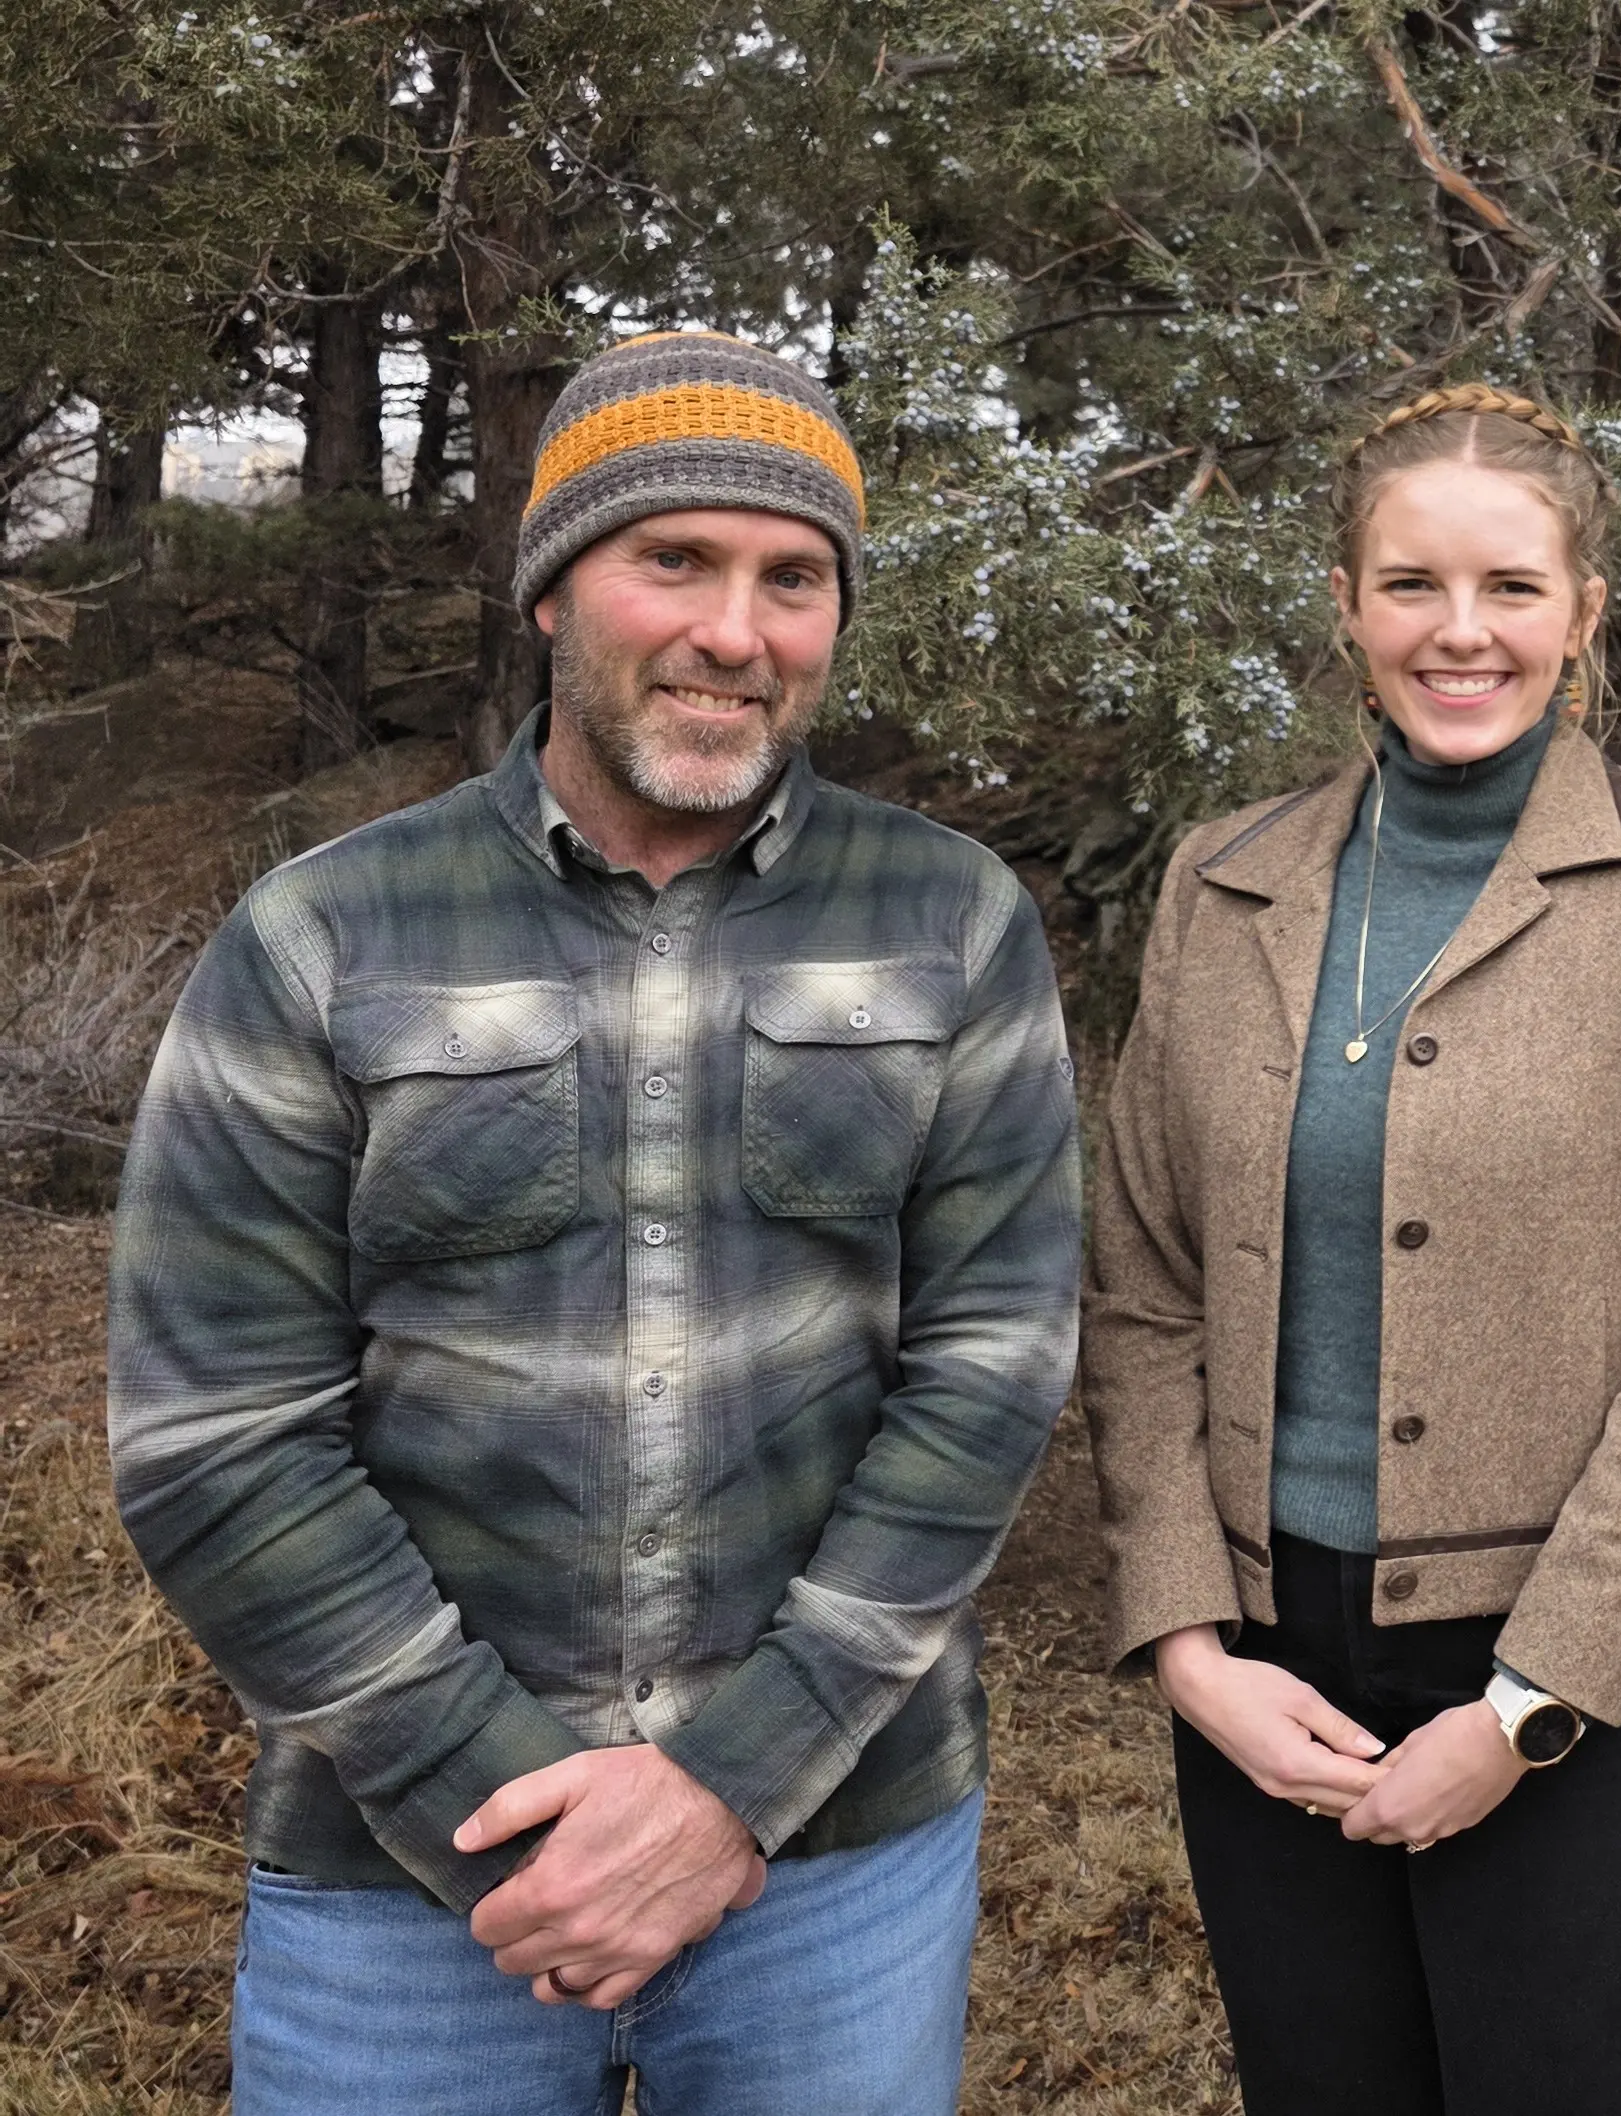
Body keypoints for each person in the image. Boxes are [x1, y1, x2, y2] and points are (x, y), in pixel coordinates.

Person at [106, 330, 1081, 2113]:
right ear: (555, 588)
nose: (736, 629)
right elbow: (216, 1438)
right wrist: (507, 1797)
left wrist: (728, 1790)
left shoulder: (955, 921)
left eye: (794, 579)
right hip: (407, 1887)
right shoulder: (322, 935)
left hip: (838, 1865)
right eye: (675, 561)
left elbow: (992, 1376)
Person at [1082, 383, 1621, 2115]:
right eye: (1409, 585)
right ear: (1344, 603)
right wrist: (1193, 1649)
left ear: (1585, 612)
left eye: (1510, 588)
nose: (1458, 633)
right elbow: (1142, 1287)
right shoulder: (1222, 881)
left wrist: (1525, 1709)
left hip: (1579, 1657)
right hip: (1272, 1657)